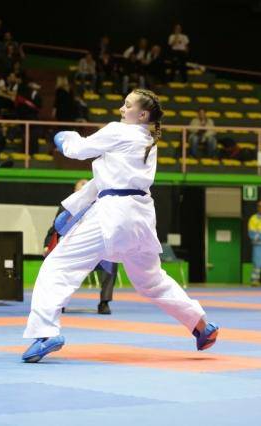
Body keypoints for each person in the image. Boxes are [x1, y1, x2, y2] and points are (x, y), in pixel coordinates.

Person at [21, 88, 218, 363]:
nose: (122, 109)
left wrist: (64, 137)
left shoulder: (119, 131)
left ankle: (45, 333)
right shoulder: (148, 141)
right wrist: (72, 207)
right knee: (152, 280)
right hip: (141, 217)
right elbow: (106, 179)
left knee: (57, 266)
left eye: (127, 105)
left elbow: (77, 150)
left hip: (112, 215)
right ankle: (200, 325)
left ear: (142, 114)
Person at [43, 179, 116, 315]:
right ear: (75, 192)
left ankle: (104, 302)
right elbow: (54, 229)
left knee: (111, 261)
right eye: (80, 189)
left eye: (86, 188)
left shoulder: (101, 207)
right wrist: (47, 246)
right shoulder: (67, 207)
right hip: (73, 251)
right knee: (59, 266)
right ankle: (60, 301)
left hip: (95, 252)